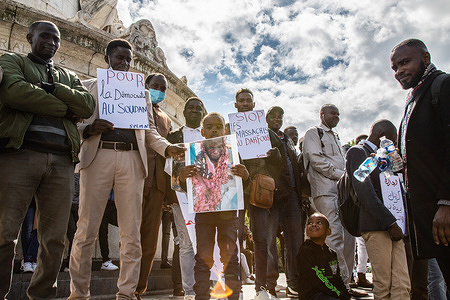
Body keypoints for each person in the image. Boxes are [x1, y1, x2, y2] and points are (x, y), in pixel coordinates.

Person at [69, 40, 184, 299]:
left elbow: (150, 132)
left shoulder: (140, 94)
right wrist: (88, 129)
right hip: (98, 157)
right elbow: (70, 122)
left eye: (128, 59)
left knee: (131, 231)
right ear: (107, 58)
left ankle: (126, 293)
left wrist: (167, 149)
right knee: (85, 229)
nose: (124, 63)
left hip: (132, 160)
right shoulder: (88, 87)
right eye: (119, 58)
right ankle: (78, 293)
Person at [0, 20, 95, 299]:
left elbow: (87, 106)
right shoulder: (12, 61)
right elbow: (14, 92)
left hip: (62, 162)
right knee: (5, 233)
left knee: (54, 239)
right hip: (19, 155)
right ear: (30, 37)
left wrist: (53, 88)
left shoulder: (67, 76)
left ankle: (41, 295)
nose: (51, 43)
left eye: (56, 39)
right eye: (45, 37)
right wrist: (66, 109)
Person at [391, 39, 450, 286]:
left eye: (405, 63)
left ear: (425, 58)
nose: (398, 72)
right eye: (394, 68)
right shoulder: (413, 98)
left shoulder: (443, 85)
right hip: (430, 212)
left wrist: (446, 203)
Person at [180, 112, 249, 300]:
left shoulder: (233, 153)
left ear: (224, 130)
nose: (213, 130)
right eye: (209, 127)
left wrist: (245, 176)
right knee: (203, 257)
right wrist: (182, 176)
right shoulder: (194, 154)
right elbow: (188, 189)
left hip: (228, 213)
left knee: (230, 256)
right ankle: (201, 295)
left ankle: (234, 295)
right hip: (204, 215)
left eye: (218, 127)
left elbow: (243, 186)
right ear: (202, 131)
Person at [346, 119, 411, 299]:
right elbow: (365, 192)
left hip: (396, 227)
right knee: (384, 285)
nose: (395, 145)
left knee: (402, 284)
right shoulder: (358, 152)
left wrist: (398, 164)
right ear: (383, 138)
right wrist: (390, 222)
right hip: (377, 225)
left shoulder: (386, 157)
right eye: (393, 141)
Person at [302, 104, 360, 296]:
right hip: (325, 191)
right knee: (333, 236)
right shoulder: (314, 132)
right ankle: (338, 286)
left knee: (349, 237)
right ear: (322, 114)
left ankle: (346, 284)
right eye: (333, 113)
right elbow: (315, 159)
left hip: (343, 193)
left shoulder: (335, 136)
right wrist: (340, 175)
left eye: (338, 114)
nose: (337, 116)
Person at [234, 89, 282, 300]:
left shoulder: (267, 131)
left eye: (248, 101)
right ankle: (232, 286)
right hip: (236, 187)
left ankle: (261, 288)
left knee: (261, 239)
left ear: (253, 106)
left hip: (259, 189)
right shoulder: (229, 129)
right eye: (241, 101)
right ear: (236, 105)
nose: (244, 104)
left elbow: (280, 163)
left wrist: (274, 155)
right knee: (232, 237)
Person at [135, 73, 181, 299]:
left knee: (149, 240)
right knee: (130, 234)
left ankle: (138, 288)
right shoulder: (133, 104)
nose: (160, 91)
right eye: (155, 86)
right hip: (134, 176)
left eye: (163, 88)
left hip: (157, 184)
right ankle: (124, 285)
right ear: (145, 86)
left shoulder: (165, 118)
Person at [166, 97, 206, 300]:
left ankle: (208, 286)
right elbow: (166, 167)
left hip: (208, 196)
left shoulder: (211, 136)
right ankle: (189, 290)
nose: (194, 111)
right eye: (190, 107)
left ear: (203, 112)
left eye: (198, 108)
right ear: (184, 112)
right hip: (181, 197)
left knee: (208, 241)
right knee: (186, 244)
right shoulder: (173, 136)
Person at [265, 106, 304, 298]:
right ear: (265, 119)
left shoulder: (287, 140)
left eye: (280, 116)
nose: (277, 119)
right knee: (269, 240)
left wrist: (300, 194)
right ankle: (270, 284)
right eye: (273, 116)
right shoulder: (261, 137)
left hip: (292, 196)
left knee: (295, 241)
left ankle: (293, 283)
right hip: (271, 195)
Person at [297, 213, 350, 300]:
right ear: (306, 230)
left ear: (328, 231)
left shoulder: (332, 253)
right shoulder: (305, 251)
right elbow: (317, 280)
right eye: (310, 223)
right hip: (312, 295)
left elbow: (337, 279)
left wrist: (346, 295)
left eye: (319, 223)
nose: (313, 224)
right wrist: (338, 294)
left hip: (329, 293)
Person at [98, 189, 119, 271]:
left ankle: (128, 258)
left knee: (127, 227)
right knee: (103, 231)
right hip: (103, 202)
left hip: (115, 203)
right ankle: (105, 260)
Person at [20, 198, 39, 273]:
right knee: (27, 229)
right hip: (28, 202)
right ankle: (28, 259)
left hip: (41, 203)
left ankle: (32, 258)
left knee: (38, 231)